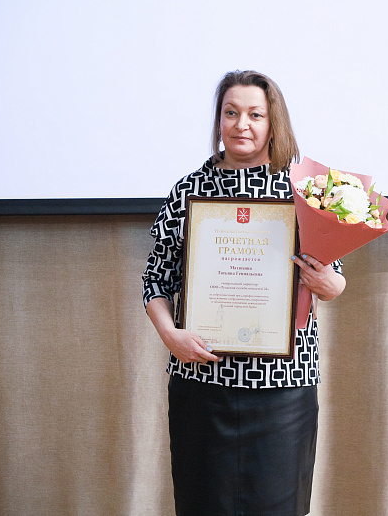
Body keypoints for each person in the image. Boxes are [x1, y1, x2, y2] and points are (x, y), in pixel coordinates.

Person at [143, 70, 346, 516]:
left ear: (274, 122)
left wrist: (330, 283)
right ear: (219, 120)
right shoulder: (188, 190)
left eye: (255, 114)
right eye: (231, 113)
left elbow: (334, 279)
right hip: (203, 380)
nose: (242, 125)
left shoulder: (306, 190)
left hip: (282, 386)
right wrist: (171, 336)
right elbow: (156, 281)